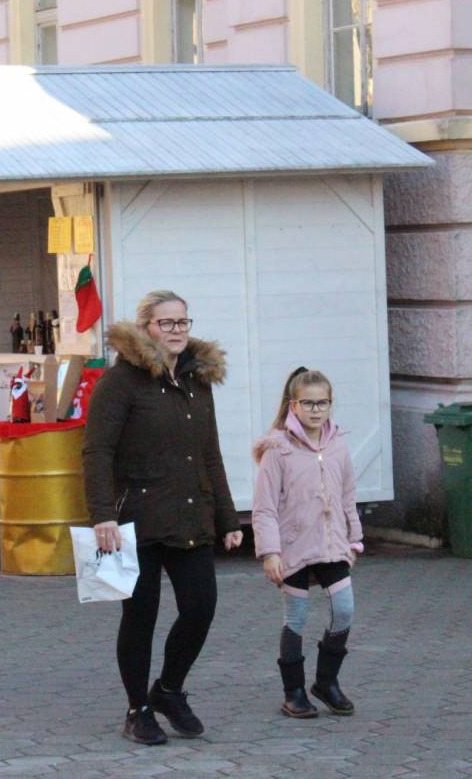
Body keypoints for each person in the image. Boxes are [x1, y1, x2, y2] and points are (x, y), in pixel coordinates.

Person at [83, 289, 243, 745]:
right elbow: (97, 452)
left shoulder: (197, 380)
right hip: (135, 520)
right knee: (140, 618)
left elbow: (210, 454)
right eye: (166, 323)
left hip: (191, 516)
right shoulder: (121, 382)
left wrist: (228, 517)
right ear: (146, 328)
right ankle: (138, 709)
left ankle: (169, 690)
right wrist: (101, 515)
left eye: (182, 322)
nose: (176, 330)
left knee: (200, 608)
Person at [251, 367, 364, 718]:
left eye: (322, 403)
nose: (316, 410)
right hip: (293, 549)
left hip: (332, 546)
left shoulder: (338, 445)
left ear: (330, 404)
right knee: (296, 617)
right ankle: (294, 692)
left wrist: (354, 540)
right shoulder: (278, 450)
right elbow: (265, 507)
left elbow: (347, 495)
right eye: (308, 403)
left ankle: (326, 682)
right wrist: (270, 553)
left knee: (344, 609)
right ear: (293, 406)